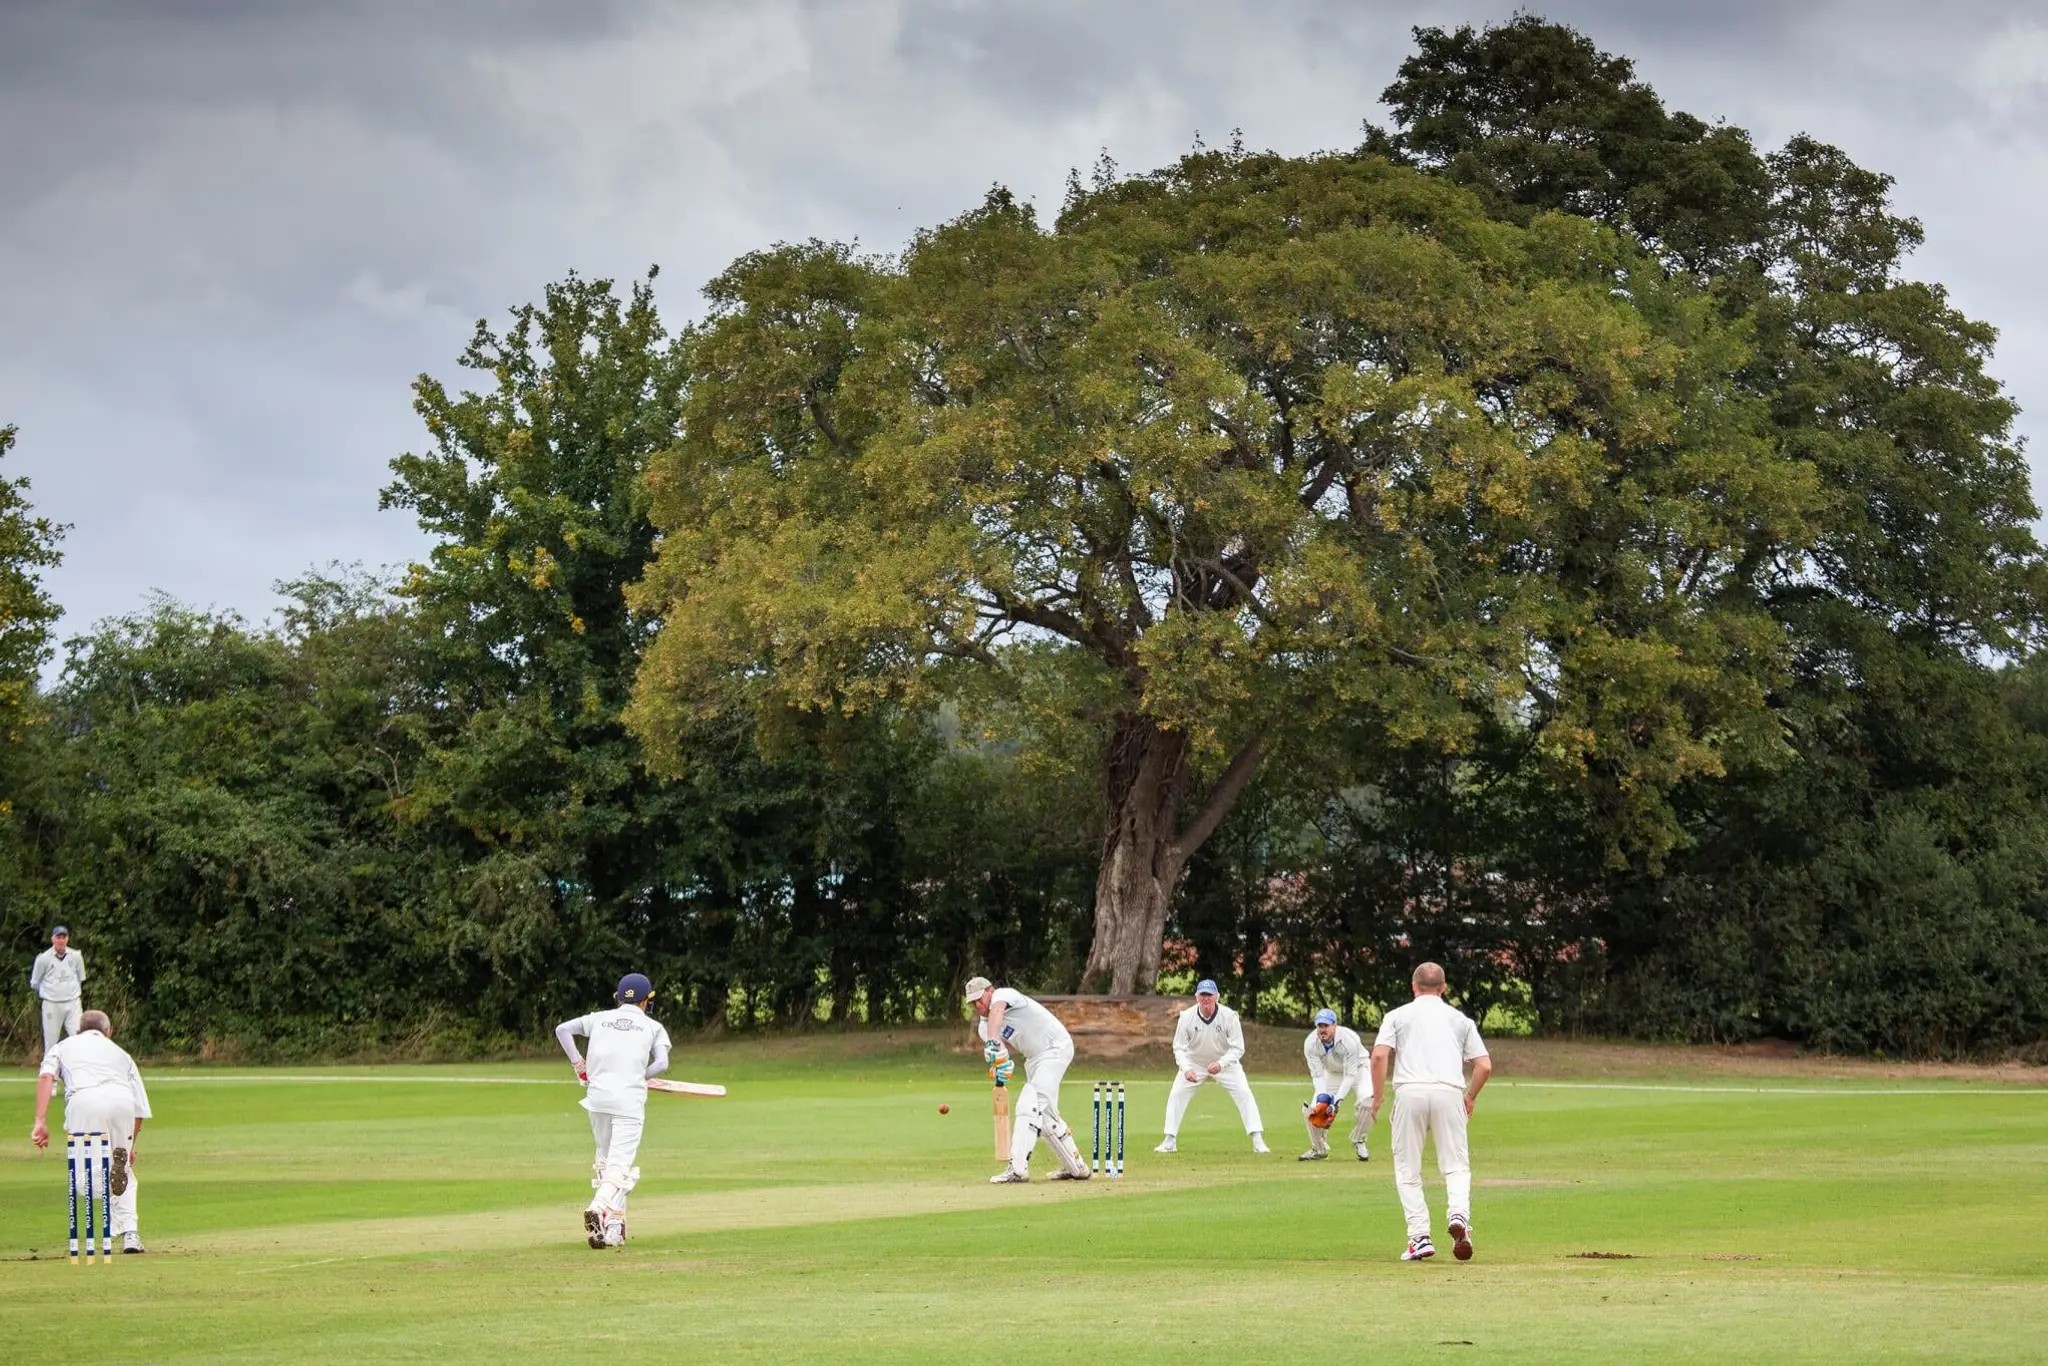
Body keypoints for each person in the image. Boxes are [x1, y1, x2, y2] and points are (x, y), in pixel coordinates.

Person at [1365, 962, 1492, 1262]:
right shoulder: (1459, 1019)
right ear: (1444, 988)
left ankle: (1419, 1237)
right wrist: (1470, 1096)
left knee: (1408, 1169)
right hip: (1449, 1092)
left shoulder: (1397, 1016)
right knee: (1456, 1166)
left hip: (1409, 1092)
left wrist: (1378, 1097)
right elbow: (1484, 1065)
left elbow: (1379, 1056)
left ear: (1413, 986)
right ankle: (1459, 1214)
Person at [554, 972, 672, 1249]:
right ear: (646, 1001)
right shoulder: (653, 1027)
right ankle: (598, 1207)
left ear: (619, 998)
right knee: (619, 1167)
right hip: (628, 1101)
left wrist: (579, 1065)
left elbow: (562, 1030)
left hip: (598, 1099)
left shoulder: (598, 1018)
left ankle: (613, 1230)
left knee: (606, 1162)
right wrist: (640, 1076)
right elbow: (662, 1064)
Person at [30, 1009, 152, 1253]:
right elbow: (139, 1109)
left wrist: (40, 1121)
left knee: (81, 1178)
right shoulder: (122, 1054)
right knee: (124, 1171)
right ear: (109, 1032)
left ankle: (105, 1176)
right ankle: (130, 1234)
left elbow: (46, 1077)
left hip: (84, 1102)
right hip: (122, 1102)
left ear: (78, 1030)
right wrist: (130, 1148)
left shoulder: (63, 1046)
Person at [965, 976, 1089, 1183]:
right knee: (1046, 1116)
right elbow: (1002, 1058)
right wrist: (1001, 1067)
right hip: (1034, 1060)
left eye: (980, 999)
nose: (978, 1005)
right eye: (973, 1003)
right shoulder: (983, 1028)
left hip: (1055, 1048)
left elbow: (996, 1013)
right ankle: (1077, 1168)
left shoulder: (1004, 995)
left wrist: (994, 1042)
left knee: (1029, 1103)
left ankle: (1018, 1168)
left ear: (990, 991)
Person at [1155, 979, 1267, 1154]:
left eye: (1209, 995)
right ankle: (1170, 1140)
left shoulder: (1229, 1016)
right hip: (1194, 1063)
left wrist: (1221, 1064)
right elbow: (1179, 1047)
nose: (1205, 998)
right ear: (1197, 997)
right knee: (1176, 1094)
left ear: (1217, 996)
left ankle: (1258, 1140)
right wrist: (1186, 1069)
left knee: (1244, 1093)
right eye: (1202, 995)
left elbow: (1238, 1047)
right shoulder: (1186, 1017)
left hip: (1225, 1063)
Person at [1299, 1007, 1371, 1162]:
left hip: (1359, 1070)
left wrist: (1336, 1103)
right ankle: (1319, 1149)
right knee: (1312, 1110)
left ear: (1335, 1025)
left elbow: (1350, 1075)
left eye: (1326, 1025)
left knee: (1367, 1101)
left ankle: (1359, 1140)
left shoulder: (1349, 1040)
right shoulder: (1310, 1043)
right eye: (1320, 1026)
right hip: (1331, 1073)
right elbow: (1318, 1075)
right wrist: (1324, 1100)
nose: (1322, 1029)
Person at [29, 925, 87, 1059]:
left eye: (64, 937)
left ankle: (78, 1075)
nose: (61, 940)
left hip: (73, 1003)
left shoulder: (76, 956)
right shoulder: (43, 959)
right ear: (53, 939)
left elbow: (80, 978)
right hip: (52, 1004)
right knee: (51, 1043)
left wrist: (69, 991)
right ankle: (51, 1078)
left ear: (67, 939)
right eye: (58, 937)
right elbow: (35, 982)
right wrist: (50, 992)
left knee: (79, 1039)